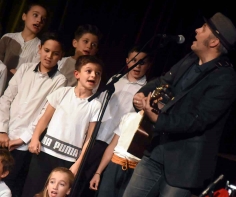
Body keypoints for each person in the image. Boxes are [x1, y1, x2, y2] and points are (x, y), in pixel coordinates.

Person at [123, 12, 236, 197]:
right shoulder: (189, 60)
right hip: (156, 151)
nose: (196, 30)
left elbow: (197, 119)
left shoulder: (226, 79)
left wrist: (158, 118)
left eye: (202, 29)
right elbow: (163, 81)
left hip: (184, 167)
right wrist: (142, 93)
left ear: (214, 42)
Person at [75, 45, 152, 196]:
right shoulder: (115, 80)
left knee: (97, 186)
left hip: (116, 146)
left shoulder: (146, 89)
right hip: (97, 137)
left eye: (143, 62)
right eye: (134, 60)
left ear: (149, 65)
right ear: (127, 61)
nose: (138, 65)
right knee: (79, 180)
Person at [21, 55, 103, 197]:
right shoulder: (62, 93)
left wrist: (78, 163)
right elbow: (44, 119)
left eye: (97, 73)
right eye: (89, 71)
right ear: (77, 74)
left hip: (68, 160)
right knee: (33, 190)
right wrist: (35, 138)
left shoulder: (96, 105)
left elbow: (90, 138)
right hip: (45, 152)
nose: (93, 75)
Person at [0, 31, 67, 197]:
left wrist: (21, 139)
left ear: (61, 56)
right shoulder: (25, 69)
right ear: (39, 49)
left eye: (55, 53)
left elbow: (45, 113)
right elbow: (6, 98)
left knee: (10, 186)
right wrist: (2, 129)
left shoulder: (60, 80)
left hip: (22, 143)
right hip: (3, 133)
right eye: (46, 50)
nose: (49, 56)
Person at [89, 111, 144, 197]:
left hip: (135, 171)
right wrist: (98, 173)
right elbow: (112, 146)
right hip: (115, 165)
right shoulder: (129, 117)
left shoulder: (156, 124)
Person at [0, 2, 48, 88]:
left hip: (18, 90)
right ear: (24, 16)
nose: (39, 20)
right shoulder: (8, 38)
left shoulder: (41, 47)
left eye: (43, 19)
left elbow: (33, 74)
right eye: (35, 15)